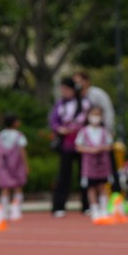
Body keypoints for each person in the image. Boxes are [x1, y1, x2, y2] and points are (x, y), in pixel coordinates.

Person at [49, 78, 88, 217]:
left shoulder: (84, 103)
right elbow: (53, 121)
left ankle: (87, 205)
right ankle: (59, 206)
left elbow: (88, 119)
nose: (64, 92)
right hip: (66, 145)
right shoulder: (60, 104)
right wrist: (60, 129)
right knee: (64, 175)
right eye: (62, 89)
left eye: (66, 89)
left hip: (83, 144)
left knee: (85, 175)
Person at [75, 106, 114, 218]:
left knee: (102, 186)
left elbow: (110, 146)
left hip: (102, 164)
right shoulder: (84, 131)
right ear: (88, 116)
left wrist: (101, 148)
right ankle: (94, 209)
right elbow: (78, 147)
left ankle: (104, 208)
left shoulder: (104, 131)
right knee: (91, 187)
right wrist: (90, 150)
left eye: (98, 115)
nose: (95, 117)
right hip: (89, 165)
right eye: (93, 114)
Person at [0, 114, 29, 220]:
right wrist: (26, 165)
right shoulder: (19, 135)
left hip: (3, 165)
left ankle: (4, 212)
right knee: (18, 187)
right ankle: (16, 211)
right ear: (14, 122)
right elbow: (22, 151)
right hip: (17, 164)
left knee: (5, 188)